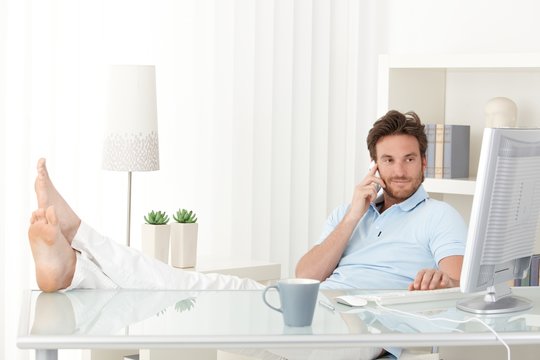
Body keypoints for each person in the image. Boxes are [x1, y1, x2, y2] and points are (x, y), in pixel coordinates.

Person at [28, 110, 466, 360]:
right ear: (374, 165)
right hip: (309, 310)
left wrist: (439, 281)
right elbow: (306, 274)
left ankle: (76, 255)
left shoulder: (439, 216)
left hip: (361, 329)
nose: (399, 170)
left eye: (409, 159)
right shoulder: (349, 212)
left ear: (424, 163)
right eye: (388, 160)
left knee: (182, 308)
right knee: (186, 285)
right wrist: (353, 214)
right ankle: (75, 258)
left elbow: (458, 280)